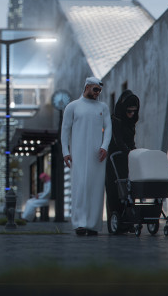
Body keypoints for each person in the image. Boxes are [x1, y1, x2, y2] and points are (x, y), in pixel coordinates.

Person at [61, 76, 112, 236]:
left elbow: (108, 128)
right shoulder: (73, 106)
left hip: (98, 157)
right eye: (95, 89)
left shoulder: (103, 107)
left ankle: (93, 225)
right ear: (87, 87)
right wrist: (66, 152)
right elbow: (64, 131)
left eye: (100, 90)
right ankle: (79, 224)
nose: (98, 93)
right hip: (78, 155)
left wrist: (104, 146)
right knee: (80, 187)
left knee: (96, 189)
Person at [104, 90, 139, 218]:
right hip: (115, 159)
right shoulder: (115, 120)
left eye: (134, 111)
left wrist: (135, 152)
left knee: (128, 189)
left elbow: (131, 141)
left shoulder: (131, 122)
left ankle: (128, 217)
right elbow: (118, 140)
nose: (131, 114)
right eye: (129, 111)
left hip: (126, 159)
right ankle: (115, 217)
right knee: (115, 189)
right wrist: (129, 152)